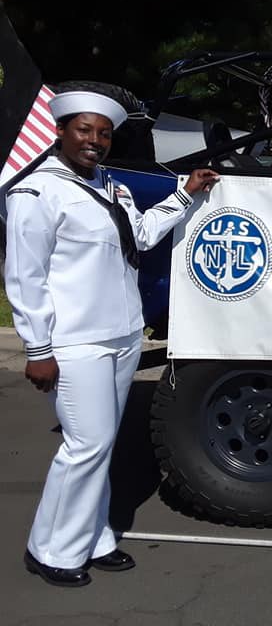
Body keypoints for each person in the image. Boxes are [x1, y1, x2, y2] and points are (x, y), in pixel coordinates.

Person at [4, 90, 219, 587]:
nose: (95, 141)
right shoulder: (37, 194)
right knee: (85, 445)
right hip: (75, 342)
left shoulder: (111, 188)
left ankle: (93, 536)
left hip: (121, 336)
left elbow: (140, 236)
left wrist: (185, 194)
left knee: (102, 446)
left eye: (103, 133)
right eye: (84, 130)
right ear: (60, 132)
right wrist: (37, 349)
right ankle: (51, 549)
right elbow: (24, 278)